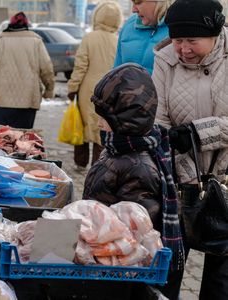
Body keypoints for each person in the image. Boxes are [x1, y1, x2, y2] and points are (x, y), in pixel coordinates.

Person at [83, 63, 185, 289]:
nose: (99, 124)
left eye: (105, 118)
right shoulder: (117, 150)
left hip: (118, 272)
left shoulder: (139, 167)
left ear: (125, 120)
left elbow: (133, 234)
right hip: (101, 258)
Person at [152, 0, 228, 299]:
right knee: (168, 266)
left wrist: (198, 132)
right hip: (180, 179)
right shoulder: (164, 59)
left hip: (226, 177)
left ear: (216, 33)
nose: (183, 49)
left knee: (221, 279)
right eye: (177, 39)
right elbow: (157, 118)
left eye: (192, 41)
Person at [0, 12, 55, 129]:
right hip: (27, 101)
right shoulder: (36, 41)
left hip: (0, 101)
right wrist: (49, 89)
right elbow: (47, 68)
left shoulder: (0, 40)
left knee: (0, 139)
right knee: (22, 139)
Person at [67, 1, 122, 170]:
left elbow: (80, 66)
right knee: (103, 125)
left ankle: (80, 162)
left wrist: (72, 88)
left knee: (83, 124)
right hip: (110, 89)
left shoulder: (89, 37)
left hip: (88, 88)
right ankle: (98, 164)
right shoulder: (118, 39)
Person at [113, 0, 174, 75]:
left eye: (138, 3)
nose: (133, 10)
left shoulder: (180, 28)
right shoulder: (129, 25)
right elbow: (115, 72)